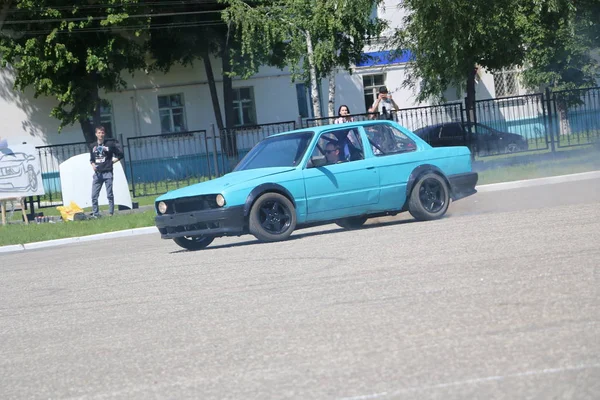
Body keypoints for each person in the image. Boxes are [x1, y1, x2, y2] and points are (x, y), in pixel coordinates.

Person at [89, 126, 124, 217]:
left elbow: (120, 155)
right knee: (94, 195)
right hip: (97, 174)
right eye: (99, 133)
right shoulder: (93, 146)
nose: (101, 134)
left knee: (109, 194)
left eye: (102, 132)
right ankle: (96, 214)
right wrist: (93, 165)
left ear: (104, 134)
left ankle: (110, 213)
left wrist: (112, 162)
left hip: (108, 172)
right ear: (96, 134)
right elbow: (91, 159)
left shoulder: (110, 144)